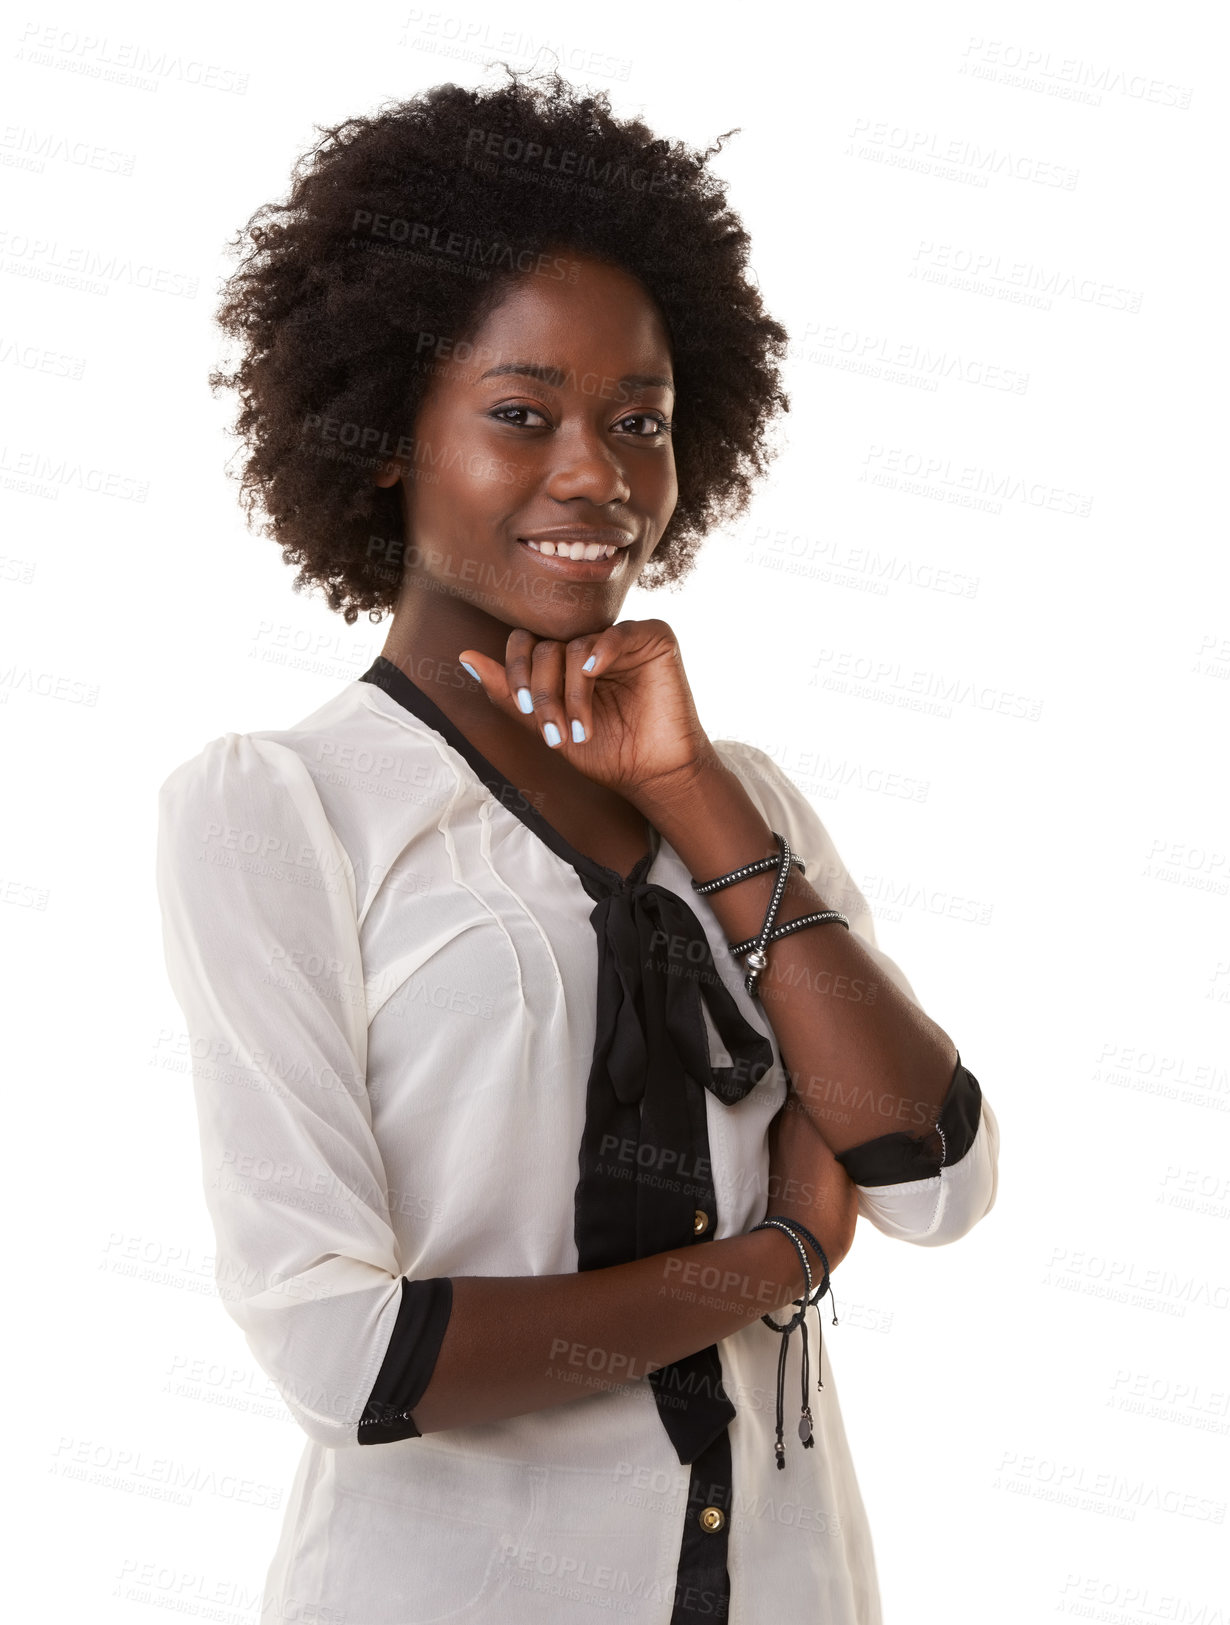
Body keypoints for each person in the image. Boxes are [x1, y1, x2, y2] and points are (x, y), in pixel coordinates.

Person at [155, 66, 1000, 1625]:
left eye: (639, 424)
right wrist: (775, 1259)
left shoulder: (740, 797)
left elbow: (934, 1172)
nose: (597, 476)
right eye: (521, 414)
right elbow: (352, 1355)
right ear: (387, 430)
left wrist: (687, 792)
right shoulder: (278, 808)